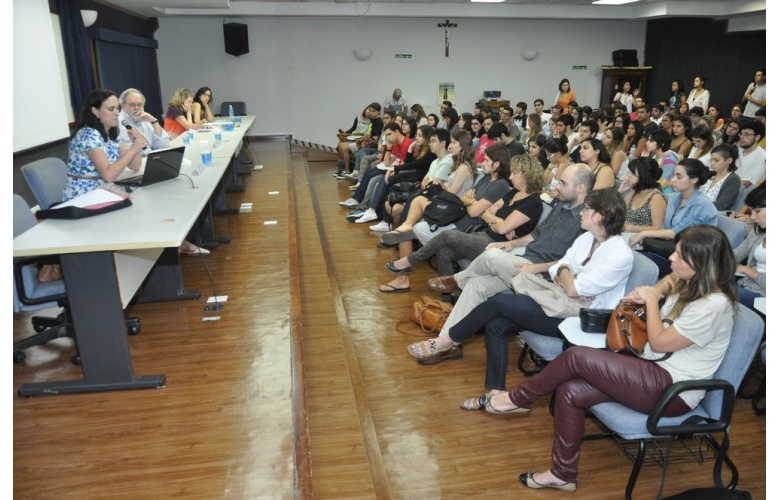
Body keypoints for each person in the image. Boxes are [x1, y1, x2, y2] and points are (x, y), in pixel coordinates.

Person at [482, 224, 737, 493]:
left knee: (576, 357)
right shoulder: (691, 281)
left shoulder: (713, 306)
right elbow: (669, 280)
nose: (671, 259)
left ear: (702, 263)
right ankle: (563, 474)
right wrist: (657, 290)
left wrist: (650, 300)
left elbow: (660, 343)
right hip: (650, 369)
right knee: (569, 390)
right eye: (675, 252)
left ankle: (517, 399)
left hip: (671, 391)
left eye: (680, 256)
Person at [416, 189, 632, 410]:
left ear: (600, 216)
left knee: (499, 304)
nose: (581, 213)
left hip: (580, 318)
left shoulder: (619, 254)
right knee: (496, 324)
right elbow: (561, 269)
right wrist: (567, 273)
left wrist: (567, 275)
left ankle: (447, 340)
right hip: (557, 300)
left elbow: (572, 288)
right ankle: (496, 392)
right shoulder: (587, 238)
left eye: (587, 209)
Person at [407, 164, 596, 364]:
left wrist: (535, 268)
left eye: (563, 183)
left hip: (543, 278)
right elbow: (535, 235)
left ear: (581, 187)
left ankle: (455, 280)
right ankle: (447, 343)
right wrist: (510, 243)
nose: (557, 187)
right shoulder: (561, 205)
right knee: (476, 284)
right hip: (525, 260)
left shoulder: (588, 221)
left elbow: (573, 264)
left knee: (492, 256)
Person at [384, 153, 542, 285]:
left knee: (447, 235)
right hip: (485, 234)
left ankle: (410, 261)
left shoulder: (533, 202)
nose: (511, 176)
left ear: (527, 175)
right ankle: (448, 299)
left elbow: (500, 228)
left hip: (499, 245)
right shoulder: (513, 193)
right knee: (444, 252)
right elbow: (488, 213)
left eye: (515, 173)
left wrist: (496, 222)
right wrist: (498, 221)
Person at [378, 130, 476, 240]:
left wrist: (444, 185)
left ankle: (403, 229)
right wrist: (444, 185)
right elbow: (426, 181)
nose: (450, 145)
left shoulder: (462, 167)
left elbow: (452, 192)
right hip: (446, 199)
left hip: (454, 206)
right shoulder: (455, 164)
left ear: (463, 145)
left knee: (415, 200)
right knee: (412, 199)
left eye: (454, 142)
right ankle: (403, 229)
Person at [630, 159, 718, 276]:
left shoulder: (702, 205)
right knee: (631, 253)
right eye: (674, 175)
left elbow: (677, 233)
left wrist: (643, 233)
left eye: (679, 177)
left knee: (636, 261)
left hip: (690, 260)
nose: (673, 180)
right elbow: (665, 228)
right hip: (670, 249)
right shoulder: (674, 197)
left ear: (693, 179)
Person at [63, 88, 147, 202]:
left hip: (103, 190)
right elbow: (108, 176)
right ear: (95, 111)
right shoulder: (88, 136)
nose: (117, 113)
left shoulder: (110, 133)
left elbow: (134, 166)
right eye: (111, 109)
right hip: (84, 196)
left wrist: (135, 144)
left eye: (117, 108)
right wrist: (133, 149)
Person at [733, 183, 766, 310]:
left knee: (716, 294)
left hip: (764, 296)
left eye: (757, 211)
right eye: (751, 211)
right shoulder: (760, 230)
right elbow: (738, 253)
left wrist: (747, 270)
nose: (752, 217)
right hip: (748, 285)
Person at [623, 157, 666, 232]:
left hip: (642, 239)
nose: (629, 176)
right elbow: (617, 212)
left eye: (633, 173)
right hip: (626, 235)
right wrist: (621, 191)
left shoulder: (656, 197)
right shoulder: (634, 192)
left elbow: (658, 228)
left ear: (644, 176)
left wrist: (630, 228)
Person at [699, 143, 741, 211]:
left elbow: (721, 206)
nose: (712, 163)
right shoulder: (710, 174)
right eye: (711, 160)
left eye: (716, 160)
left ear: (729, 161)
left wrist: (695, 205)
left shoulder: (733, 180)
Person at [735, 120, 766, 188]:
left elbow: (746, 183)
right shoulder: (738, 150)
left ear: (757, 137)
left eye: (746, 134)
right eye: (741, 133)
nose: (742, 137)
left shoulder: (762, 156)